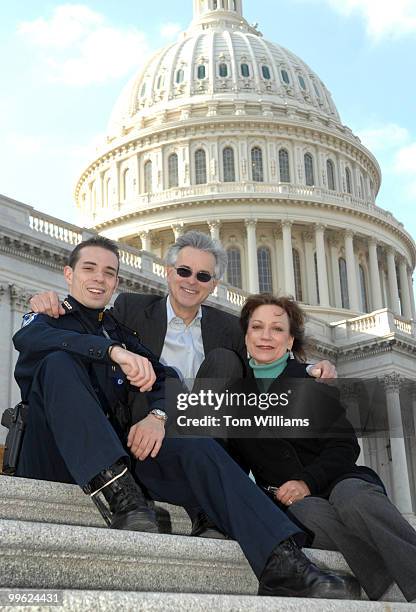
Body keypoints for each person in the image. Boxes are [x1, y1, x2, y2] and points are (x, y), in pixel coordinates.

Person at [14, 236, 359, 600]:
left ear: (117, 283)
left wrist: (160, 415)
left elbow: (173, 377)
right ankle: (115, 487)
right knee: (59, 362)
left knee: (197, 445)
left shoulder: (119, 329)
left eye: (109, 272)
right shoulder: (49, 319)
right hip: (57, 454)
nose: (99, 278)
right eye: (89, 269)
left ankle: (284, 563)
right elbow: (30, 338)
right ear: (68, 274)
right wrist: (111, 352)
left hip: (123, 458)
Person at [228, 293, 416, 602]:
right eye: (257, 327)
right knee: (307, 512)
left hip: (338, 480)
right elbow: (234, 464)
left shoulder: (312, 381)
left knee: (352, 499)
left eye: (277, 329)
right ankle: (385, 586)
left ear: (290, 341)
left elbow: (343, 447)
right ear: (246, 337)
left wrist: (307, 482)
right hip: (293, 501)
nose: (265, 336)